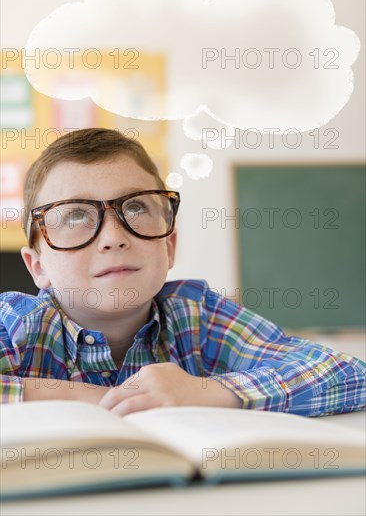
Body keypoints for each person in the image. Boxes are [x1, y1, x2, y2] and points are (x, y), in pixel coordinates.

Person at [0, 128, 365, 417]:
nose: (113, 238)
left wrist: (208, 391)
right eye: (76, 214)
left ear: (169, 246)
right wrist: (87, 397)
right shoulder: (17, 323)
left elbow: (349, 375)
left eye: (136, 207)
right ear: (38, 266)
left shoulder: (198, 318)